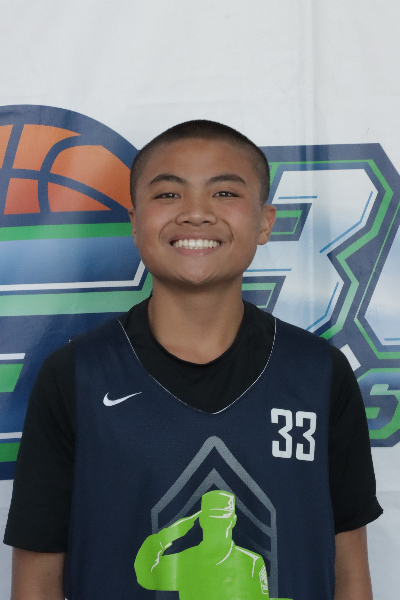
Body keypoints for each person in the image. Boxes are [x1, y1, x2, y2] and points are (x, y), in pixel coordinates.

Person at [4, 120, 382, 600]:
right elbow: (36, 580)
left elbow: (350, 571)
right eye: (168, 194)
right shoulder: (75, 376)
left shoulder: (319, 374)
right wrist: (180, 530)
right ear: (135, 221)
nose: (197, 213)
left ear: (265, 222)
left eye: (225, 193)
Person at [134, 490, 290, 599]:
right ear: (202, 521)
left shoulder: (252, 563)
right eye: (213, 520)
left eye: (222, 520)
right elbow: (146, 575)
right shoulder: (185, 561)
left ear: (233, 521)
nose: (217, 527)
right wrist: (169, 534)